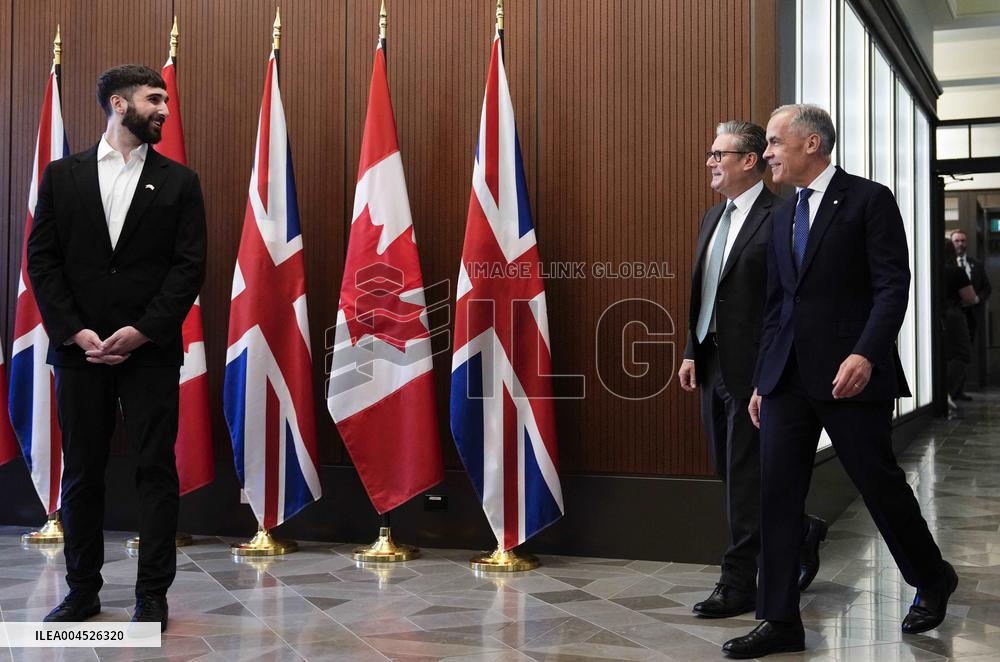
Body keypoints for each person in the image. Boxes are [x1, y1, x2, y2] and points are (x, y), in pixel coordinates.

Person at [722, 104, 955, 659]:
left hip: (850, 375)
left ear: (811, 144)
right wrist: (762, 380)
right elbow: (778, 305)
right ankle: (779, 619)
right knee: (776, 493)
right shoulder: (781, 215)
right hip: (785, 380)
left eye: (776, 143)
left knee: (877, 483)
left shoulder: (869, 200)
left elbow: (891, 288)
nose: (769, 153)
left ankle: (931, 575)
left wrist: (867, 354)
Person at [27, 64, 207, 632]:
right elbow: (43, 260)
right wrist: (74, 330)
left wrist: (144, 329)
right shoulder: (61, 176)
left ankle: (152, 595)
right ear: (119, 104)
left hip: (149, 349)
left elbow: (188, 268)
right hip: (79, 350)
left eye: (165, 101)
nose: (164, 110)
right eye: (155, 99)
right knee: (82, 471)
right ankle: (82, 592)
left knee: (155, 470)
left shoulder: (180, 181)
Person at [678, 120, 826, 620]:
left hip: (760, 370)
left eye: (720, 154)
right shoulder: (710, 218)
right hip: (712, 360)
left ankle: (738, 580)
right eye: (710, 153)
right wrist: (691, 351)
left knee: (744, 476)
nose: (710, 162)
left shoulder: (783, 216)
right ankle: (801, 528)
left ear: (750, 160)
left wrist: (769, 374)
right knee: (730, 470)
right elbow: (704, 292)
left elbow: (787, 302)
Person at [949, 229, 991, 400]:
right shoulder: (948, 265)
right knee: (955, 353)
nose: (960, 244)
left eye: (963, 241)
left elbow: (986, 287)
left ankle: (959, 390)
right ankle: (951, 391)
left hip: (971, 315)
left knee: (966, 352)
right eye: (957, 241)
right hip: (952, 315)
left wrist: (976, 299)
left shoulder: (976, 264)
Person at [942, 239, 978, 416]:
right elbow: (970, 298)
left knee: (945, 355)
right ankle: (946, 392)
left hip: (937, 316)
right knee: (961, 354)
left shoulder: (929, 270)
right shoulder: (956, 271)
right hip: (954, 316)